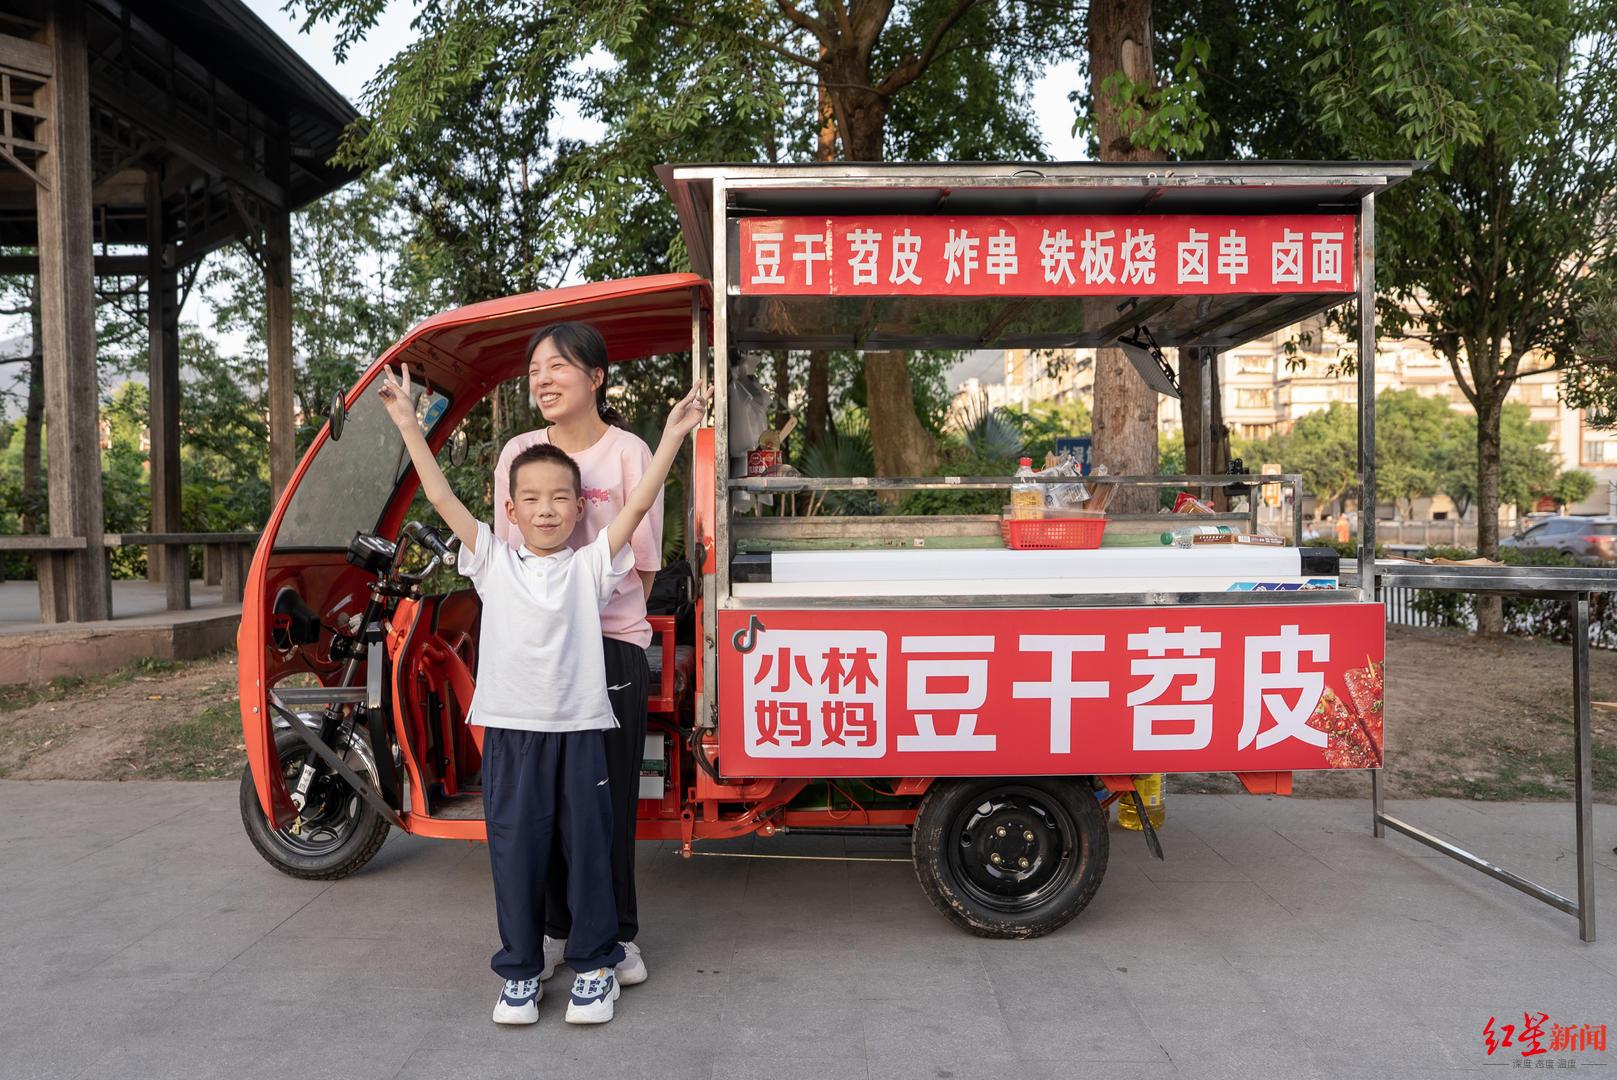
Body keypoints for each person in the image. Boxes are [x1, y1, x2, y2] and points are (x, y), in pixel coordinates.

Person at [378, 362, 708, 1027]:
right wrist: (411, 425)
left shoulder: (592, 564)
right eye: (531, 499)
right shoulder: (492, 561)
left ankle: (594, 964)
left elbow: (636, 506)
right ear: (510, 510)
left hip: (581, 732)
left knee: (589, 848)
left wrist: (673, 436)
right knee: (516, 850)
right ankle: (521, 971)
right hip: (513, 735)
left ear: (580, 508)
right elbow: (440, 498)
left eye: (560, 498)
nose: (546, 509)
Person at [491, 323, 661, 990]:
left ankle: (616, 933)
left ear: (596, 377)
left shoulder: (628, 452)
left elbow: (643, 562)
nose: (542, 378)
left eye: (558, 365)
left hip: (609, 648)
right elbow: (507, 560)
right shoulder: (518, 453)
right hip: (535, 660)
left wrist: (593, 621)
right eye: (535, 368)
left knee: (602, 805)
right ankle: (555, 929)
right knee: (539, 808)